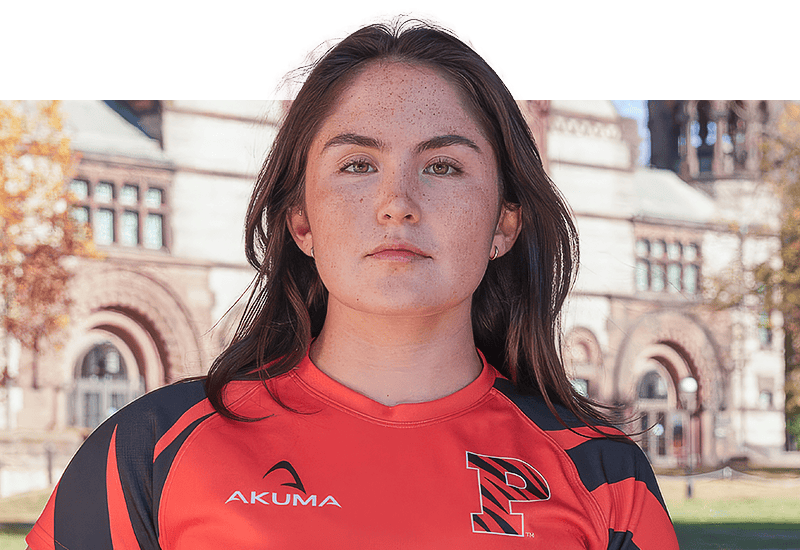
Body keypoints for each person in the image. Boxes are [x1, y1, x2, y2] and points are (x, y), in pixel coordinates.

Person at [27, 11, 679, 550]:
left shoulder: (603, 476)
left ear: (504, 222)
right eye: (357, 164)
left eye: (444, 166)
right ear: (301, 221)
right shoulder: (145, 452)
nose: (397, 202)